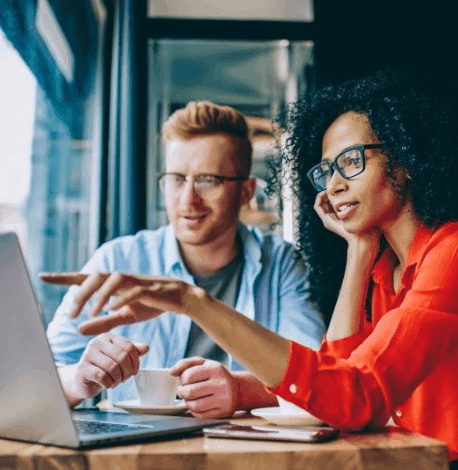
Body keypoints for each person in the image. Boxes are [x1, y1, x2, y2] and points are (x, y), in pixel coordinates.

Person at [41, 71, 458, 468]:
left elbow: (355, 396)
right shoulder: (385, 267)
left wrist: (194, 302)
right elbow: (339, 378)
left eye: (351, 161)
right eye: (326, 170)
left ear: (405, 160)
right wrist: (358, 250)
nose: (333, 185)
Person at [45, 101, 325, 418]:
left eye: (208, 180)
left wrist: (241, 390)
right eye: (177, 179)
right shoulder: (118, 259)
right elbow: (39, 376)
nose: (188, 199)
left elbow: (316, 376)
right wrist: (79, 380)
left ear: (246, 192)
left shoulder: (281, 263)